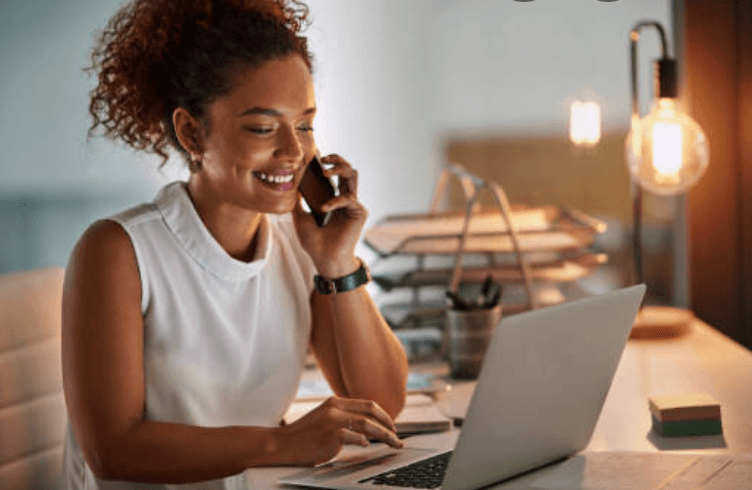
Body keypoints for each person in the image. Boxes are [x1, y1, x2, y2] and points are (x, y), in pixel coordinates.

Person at [61, 0, 409, 488]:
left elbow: (381, 404)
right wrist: (281, 444)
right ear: (191, 132)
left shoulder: (297, 245)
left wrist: (338, 263)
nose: (294, 151)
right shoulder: (118, 250)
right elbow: (112, 450)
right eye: (263, 128)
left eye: (305, 125)